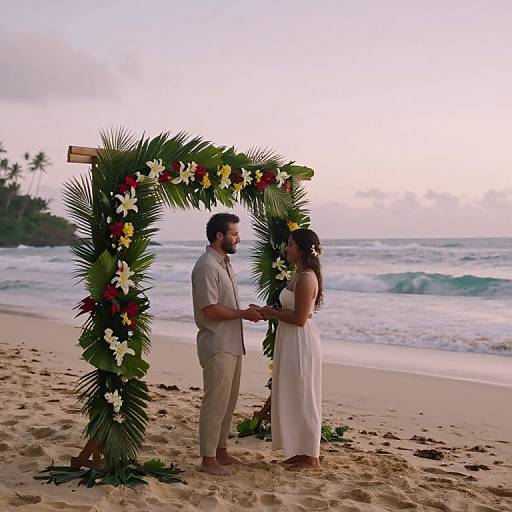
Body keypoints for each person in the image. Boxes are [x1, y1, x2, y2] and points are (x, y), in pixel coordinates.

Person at [191, 212, 263, 476]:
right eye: (234, 233)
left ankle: (221, 451)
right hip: (217, 344)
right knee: (215, 402)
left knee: (229, 402)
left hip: (233, 343)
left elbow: (226, 304)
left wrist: (247, 311)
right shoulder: (207, 266)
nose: (238, 238)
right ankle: (208, 458)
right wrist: (243, 313)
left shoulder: (224, 262)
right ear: (219, 235)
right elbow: (209, 309)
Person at [253, 228, 324, 471]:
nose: (286, 248)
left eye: (291, 244)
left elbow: (300, 318)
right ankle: (298, 450)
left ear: (303, 249)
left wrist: (270, 312)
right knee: (293, 391)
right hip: (290, 338)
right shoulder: (298, 275)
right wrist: (267, 310)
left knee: (304, 395)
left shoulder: (306, 278)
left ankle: (311, 456)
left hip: (300, 339)